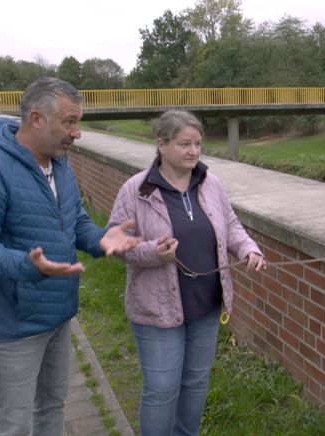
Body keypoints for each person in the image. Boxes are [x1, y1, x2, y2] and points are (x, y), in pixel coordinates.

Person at [0, 77, 141, 436]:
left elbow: (75, 221)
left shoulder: (60, 163)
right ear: (36, 119)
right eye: (69, 122)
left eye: (78, 122)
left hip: (58, 314)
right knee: (15, 422)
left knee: (52, 408)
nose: (77, 133)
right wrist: (27, 267)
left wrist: (103, 240)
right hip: (13, 324)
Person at [108, 109, 266, 436]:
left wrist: (249, 249)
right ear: (161, 145)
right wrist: (153, 252)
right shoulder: (137, 190)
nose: (194, 151)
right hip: (156, 309)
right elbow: (115, 242)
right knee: (162, 389)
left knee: (195, 383)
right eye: (184, 144)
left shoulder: (211, 183)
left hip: (206, 304)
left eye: (198, 144)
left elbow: (232, 226)